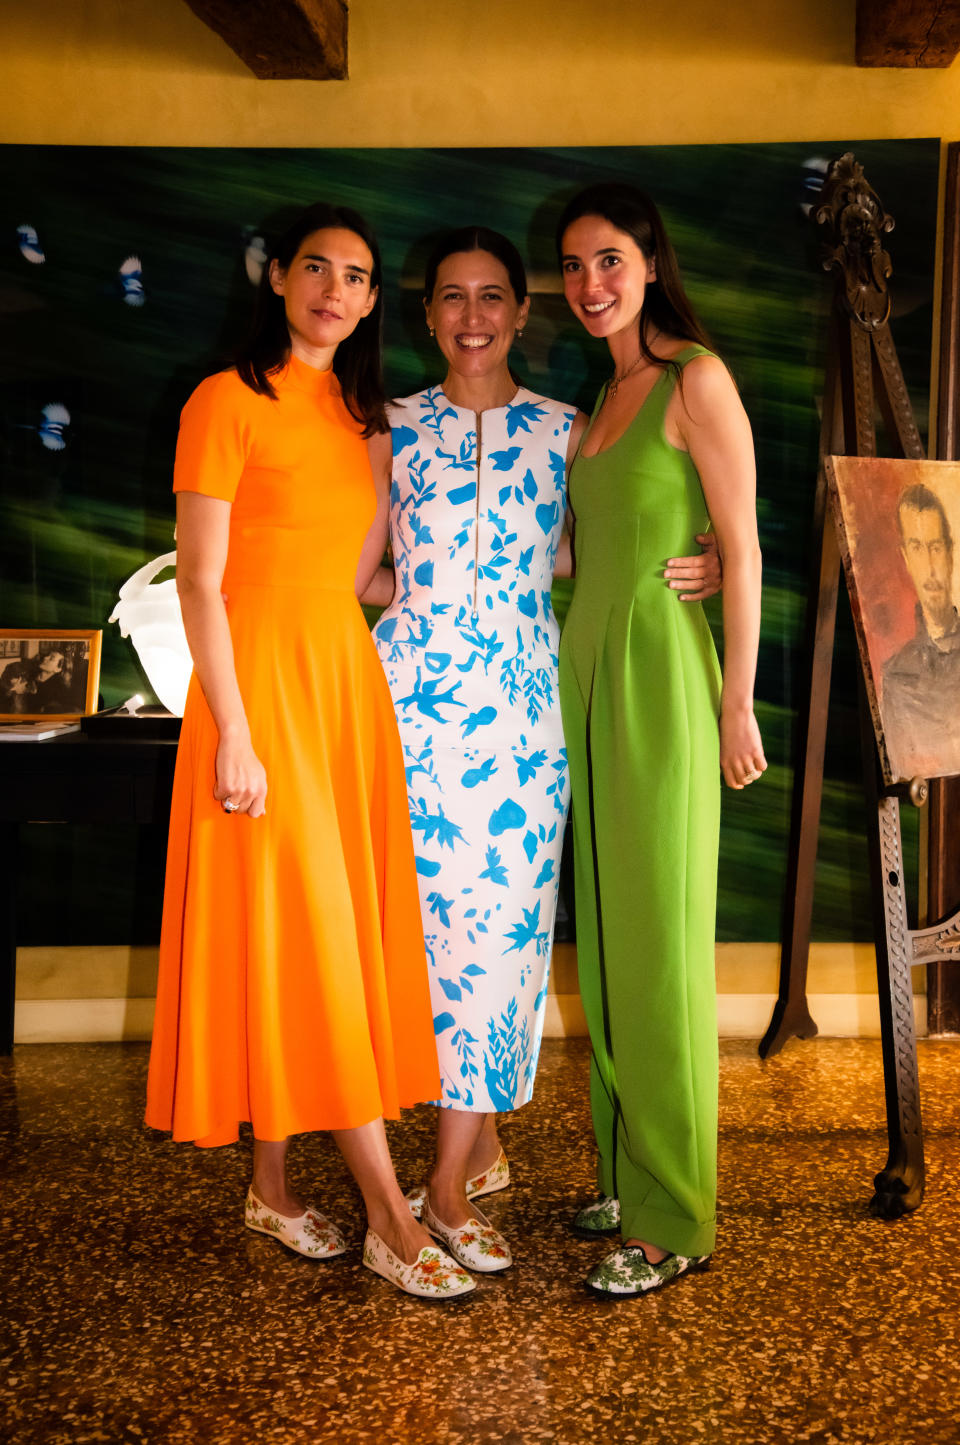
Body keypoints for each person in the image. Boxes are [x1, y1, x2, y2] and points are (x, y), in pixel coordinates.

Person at [362, 225, 722, 1273]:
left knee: (505, 954)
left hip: (525, 721)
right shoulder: (388, 427)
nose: (472, 315)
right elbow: (362, 570)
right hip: (408, 713)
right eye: (450, 296)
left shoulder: (567, 429)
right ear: (425, 315)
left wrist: (693, 554)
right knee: (406, 949)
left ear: (523, 314)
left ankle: (444, 1180)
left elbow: (600, 540)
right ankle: (444, 1165)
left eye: (493, 296)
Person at [144, 202, 474, 1301]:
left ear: (374, 300)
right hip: (258, 698)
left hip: (344, 687)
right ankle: (389, 1213)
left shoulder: (360, 415)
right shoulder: (222, 400)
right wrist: (233, 729)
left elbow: (363, 576)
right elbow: (200, 577)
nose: (336, 290)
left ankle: (274, 1188)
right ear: (278, 278)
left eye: (358, 277)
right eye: (317, 269)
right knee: (321, 948)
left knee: (300, 942)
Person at [556, 183, 766, 1298]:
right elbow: (579, 548)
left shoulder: (697, 378)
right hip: (584, 673)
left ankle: (677, 1213)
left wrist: (737, 699)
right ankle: (626, 1172)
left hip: (662, 681)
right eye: (577, 265)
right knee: (607, 933)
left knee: (662, 942)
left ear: (649, 261)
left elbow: (743, 543)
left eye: (611, 260)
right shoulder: (604, 394)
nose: (593, 284)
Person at [881, 483, 960, 777]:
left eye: (936, 547)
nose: (929, 566)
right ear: (905, 558)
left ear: (950, 553)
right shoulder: (896, 676)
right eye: (917, 548)